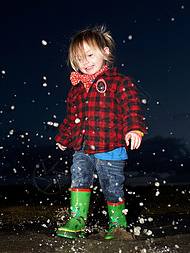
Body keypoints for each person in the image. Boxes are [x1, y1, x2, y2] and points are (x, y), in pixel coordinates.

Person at [55, 25, 147, 239]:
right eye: (79, 58)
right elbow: (71, 117)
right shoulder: (76, 90)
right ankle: (77, 220)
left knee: (111, 186)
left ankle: (117, 224)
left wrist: (134, 128)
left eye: (89, 55)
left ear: (105, 52)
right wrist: (63, 137)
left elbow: (131, 106)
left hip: (111, 148)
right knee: (79, 179)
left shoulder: (119, 82)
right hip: (82, 147)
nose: (85, 62)